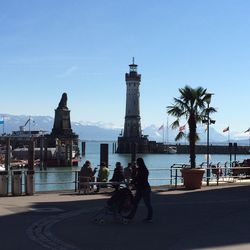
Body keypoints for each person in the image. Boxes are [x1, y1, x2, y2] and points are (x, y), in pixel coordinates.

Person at [125, 157, 153, 222]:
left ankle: (149, 217)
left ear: (139, 162)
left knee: (145, 203)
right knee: (139, 203)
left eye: (137, 162)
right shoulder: (144, 169)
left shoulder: (141, 170)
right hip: (142, 188)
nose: (136, 163)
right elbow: (136, 177)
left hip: (144, 188)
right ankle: (131, 216)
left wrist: (132, 183)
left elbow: (138, 179)